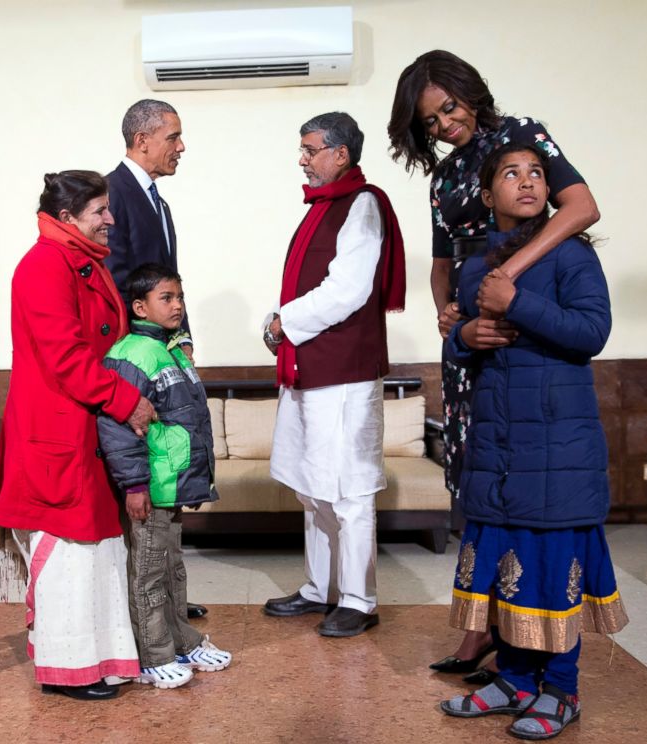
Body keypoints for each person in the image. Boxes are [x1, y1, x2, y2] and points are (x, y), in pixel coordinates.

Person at [387, 50, 601, 680]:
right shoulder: (444, 178)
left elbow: (582, 207)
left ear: (470, 93)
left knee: (522, 482)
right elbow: (442, 261)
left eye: (448, 107)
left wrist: (509, 273)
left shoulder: (520, 140)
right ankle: (482, 628)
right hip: (472, 334)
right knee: (475, 483)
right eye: (429, 122)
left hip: (524, 320)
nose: (444, 125)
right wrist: (447, 316)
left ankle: (525, 638)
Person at [438, 143, 627, 740]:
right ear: (487, 193)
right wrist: (467, 331)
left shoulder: (571, 257)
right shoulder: (475, 269)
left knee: (550, 567)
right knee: (504, 568)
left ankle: (561, 690)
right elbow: (460, 348)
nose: (527, 183)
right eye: (511, 174)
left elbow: (592, 332)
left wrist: (517, 301)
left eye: (537, 174)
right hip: (497, 444)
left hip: (558, 446)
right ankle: (516, 679)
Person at [0, 170, 157, 702]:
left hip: (87, 423)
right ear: (67, 219)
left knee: (97, 552)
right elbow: (65, 358)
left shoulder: (82, 259)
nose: (111, 219)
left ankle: (100, 659)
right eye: (100, 211)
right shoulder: (43, 266)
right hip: (56, 428)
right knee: (69, 551)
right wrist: (127, 400)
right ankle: (67, 668)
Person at [262, 112, 406, 638]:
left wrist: (286, 322)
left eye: (310, 149)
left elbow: (348, 289)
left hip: (343, 372)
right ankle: (319, 588)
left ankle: (358, 599)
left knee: (348, 490)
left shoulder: (362, 204)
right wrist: (278, 323)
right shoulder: (323, 206)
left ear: (341, 154)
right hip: (310, 364)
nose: (302, 158)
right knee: (312, 485)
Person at [97, 263, 233, 689]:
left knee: (173, 569)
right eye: (166, 299)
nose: (177, 306)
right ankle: (153, 655)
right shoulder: (132, 354)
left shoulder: (171, 350)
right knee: (149, 572)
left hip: (172, 485)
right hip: (151, 487)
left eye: (179, 297)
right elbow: (117, 428)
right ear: (140, 306)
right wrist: (134, 485)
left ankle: (181, 640)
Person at [106, 98, 207, 620]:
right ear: (142, 139)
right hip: (133, 361)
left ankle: (167, 594)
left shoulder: (158, 202)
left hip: (161, 351)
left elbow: (167, 280)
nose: (181, 146)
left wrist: (181, 337)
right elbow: (121, 286)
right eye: (173, 136)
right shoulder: (113, 195)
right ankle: (144, 605)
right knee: (141, 483)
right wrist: (143, 357)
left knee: (167, 476)